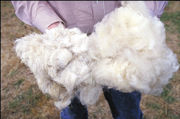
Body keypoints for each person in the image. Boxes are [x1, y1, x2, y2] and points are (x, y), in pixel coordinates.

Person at [11, 1, 168, 119]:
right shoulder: (65, 51)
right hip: (67, 50)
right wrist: (53, 28)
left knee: (128, 108)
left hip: (123, 44)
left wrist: (139, 17)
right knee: (72, 111)